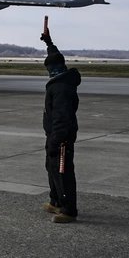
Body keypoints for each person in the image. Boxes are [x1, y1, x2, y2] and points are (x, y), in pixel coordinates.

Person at [40, 21, 80, 223]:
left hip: (61, 138)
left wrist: (57, 140)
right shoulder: (61, 80)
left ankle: (68, 210)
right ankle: (55, 201)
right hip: (54, 136)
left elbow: (62, 118)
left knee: (62, 172)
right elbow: (56, 56)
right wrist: (49, 42)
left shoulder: (61, 88)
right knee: (52, 168)